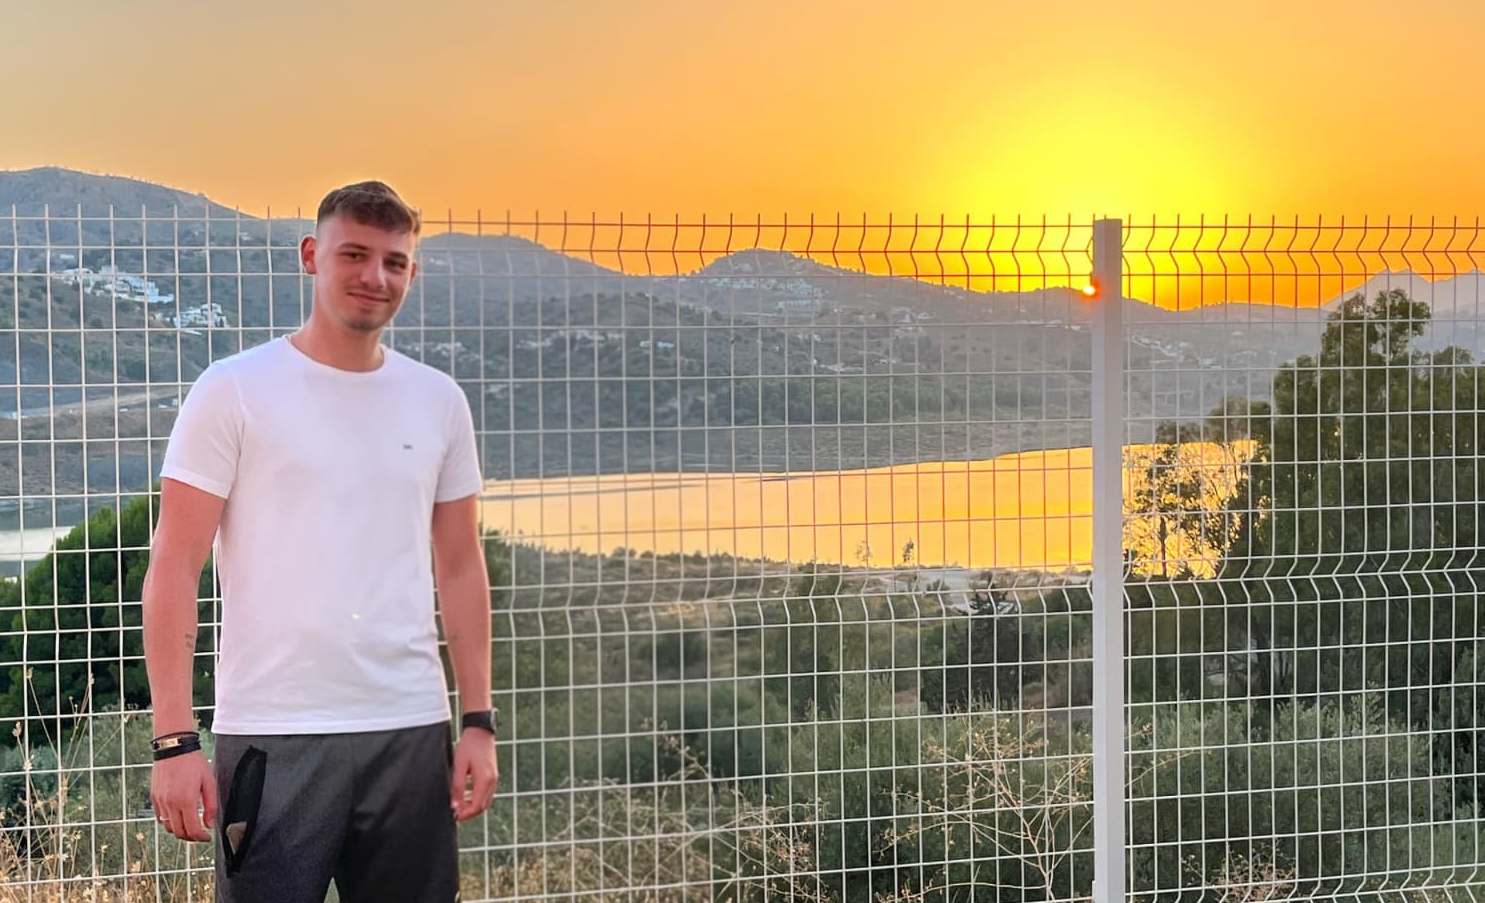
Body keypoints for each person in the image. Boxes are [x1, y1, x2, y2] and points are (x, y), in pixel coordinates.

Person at [142, 181, 497, 902]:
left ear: (412, 273)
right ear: (312, 255)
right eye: (355, 254)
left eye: (395, 261)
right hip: (277, 731)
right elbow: (174, 565)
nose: (375, 277)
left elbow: (460, 566)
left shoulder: (438, 400)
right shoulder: (234, 389)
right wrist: (174, 739)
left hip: (409, 728)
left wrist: (478, 721)